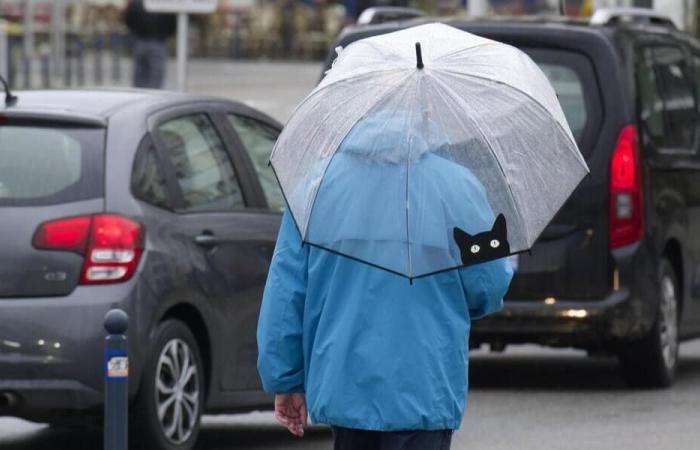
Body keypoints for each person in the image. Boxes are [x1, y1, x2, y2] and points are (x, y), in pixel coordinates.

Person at [257, 113, 514, 450]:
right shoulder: (457, 187)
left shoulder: (316, 185)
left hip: (344, 384)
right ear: (423, 110)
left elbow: (286, 291)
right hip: (425, 383)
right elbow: (489, 283)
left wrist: (286, 377)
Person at [124, 0, 175, 89]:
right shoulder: (165, 3)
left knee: (139, 76)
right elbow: (172, 22)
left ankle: (141, 98)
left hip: (140, 40)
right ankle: (152, 98)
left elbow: (128, 20)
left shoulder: (136, 3)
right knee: (156, 77)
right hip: (158, 41)